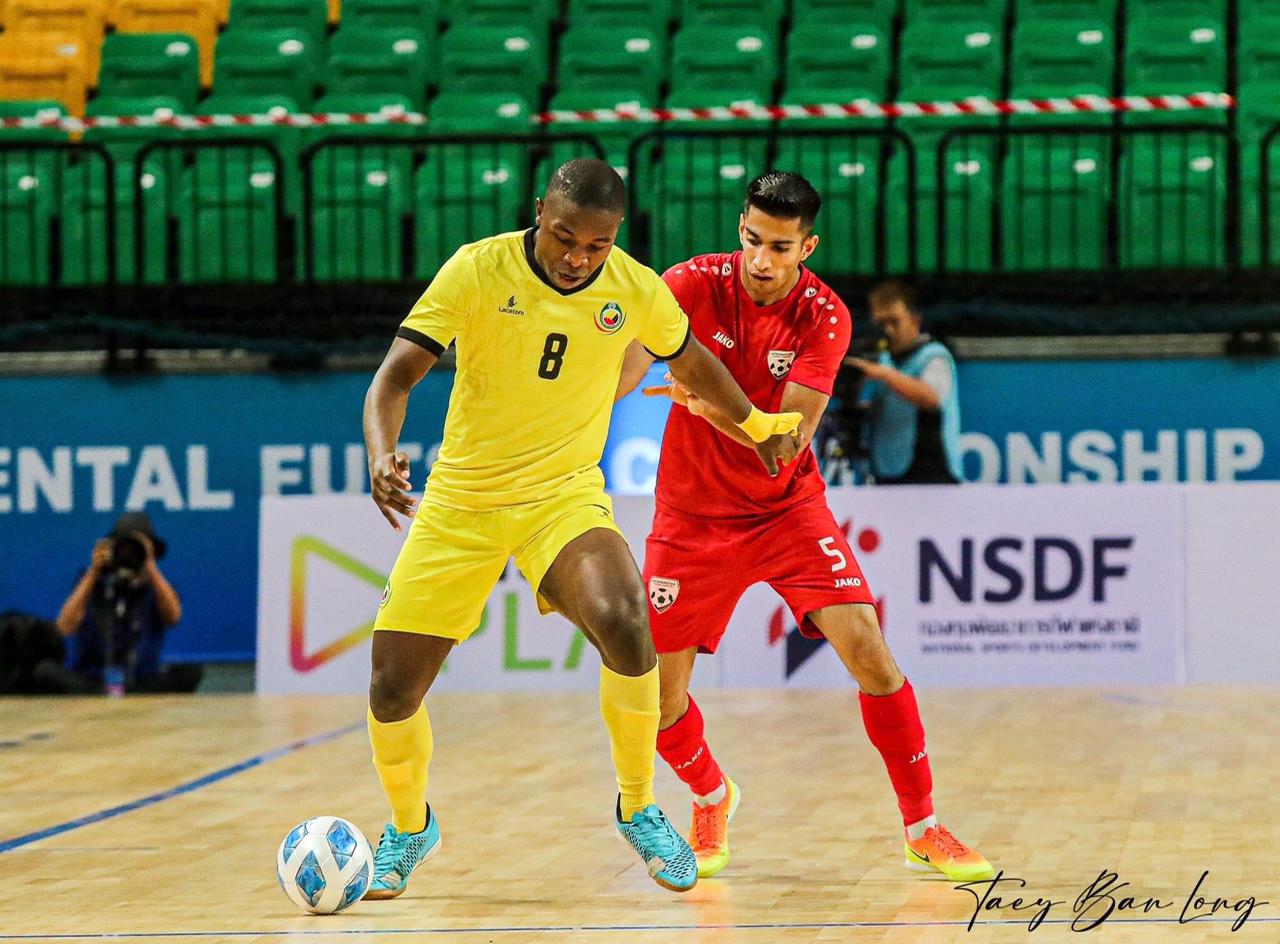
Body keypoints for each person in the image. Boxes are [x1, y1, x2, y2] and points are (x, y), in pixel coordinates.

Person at [361, 158, 803, 899]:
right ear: (540, 210)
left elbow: (693, 362)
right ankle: (410, 826)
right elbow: (393, 378)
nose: (576, 257)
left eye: (595, 245)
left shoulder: (633, 288)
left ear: (616, 238)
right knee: (390, 691)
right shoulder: (478, 268)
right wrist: (382, 454)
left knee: (628, 619)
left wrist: (757, 426)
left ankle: (639, 806)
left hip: (560, 497)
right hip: (461, 505)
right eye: (564, 237)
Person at [616, 172, 994, 883]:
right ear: (741, 228)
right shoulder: (689, 285)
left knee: (872, 657)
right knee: (656, 700)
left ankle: (923, 826)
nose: (762, 259)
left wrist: (706, 406)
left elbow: (786, 440)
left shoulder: (824, 316)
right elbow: (624, 370)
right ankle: (711, 794)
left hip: (786, 511)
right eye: (753, 239)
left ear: (807, 247)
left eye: (781, 247)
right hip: (690, 518)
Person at [54, 512, 199, 694]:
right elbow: (65, 626)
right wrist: (94, 572)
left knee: (191, 672)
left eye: (136, 550)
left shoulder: (158, 587)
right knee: (46, 672)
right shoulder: (91, 581)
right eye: (123, 549)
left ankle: (127, 693)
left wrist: (151, 568)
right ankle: (106, 692)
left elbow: (173, 617)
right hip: (92, 681)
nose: (129, 555)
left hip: (140, 682)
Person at [845, 281, 963, 485]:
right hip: (887, 472)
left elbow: (931, 398)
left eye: (894, 322)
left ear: (915, 320)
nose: (888, 331)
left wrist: (885, 374)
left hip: (933, 476)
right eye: (881, 324)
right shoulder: (881, 360)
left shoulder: (934, 356)